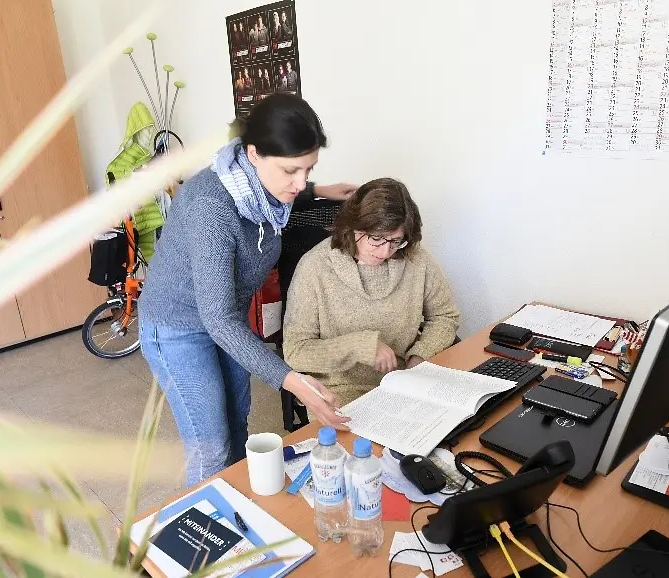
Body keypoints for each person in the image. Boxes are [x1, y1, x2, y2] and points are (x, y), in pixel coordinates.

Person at [139, 94, 355, 486]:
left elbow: (280, 189)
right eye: (292, 170)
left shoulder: (262, 188)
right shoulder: (212, 206)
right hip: (177, 327)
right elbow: (216, 319)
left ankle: (239, 511)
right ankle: (208, 530)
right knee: (211, 443)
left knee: (238, 423)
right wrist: (294, 381)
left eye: (309, 169)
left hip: (225, 317)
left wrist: (322, 190)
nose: (300, 182)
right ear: (253, 154)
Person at [283, 178, 460, 407]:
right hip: (339, 391)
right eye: (376, 239)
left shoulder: (416, 259)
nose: (386, 251)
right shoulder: (315, 268)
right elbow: (296, 351)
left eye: (396, 241)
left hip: (405, 380)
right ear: (354, 226)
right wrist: (361, 346)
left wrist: (419, 355)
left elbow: (445, 316)